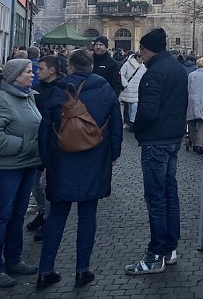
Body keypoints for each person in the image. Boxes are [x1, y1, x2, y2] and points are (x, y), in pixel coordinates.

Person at [36, 48, 123, 290]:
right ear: (91, 66)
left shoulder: (56, 91)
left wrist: (44, 160)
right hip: (94, 159)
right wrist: (113, 155)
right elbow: (116, 124)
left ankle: (45, 270)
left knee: (57, 214)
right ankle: (82, 269)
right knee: (87, 215)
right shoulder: (105, 89)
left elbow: (44, 130)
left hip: (61, 159)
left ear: (71, 67)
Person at [126, 28, 188, 275]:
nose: (140, 55)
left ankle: (156, 254)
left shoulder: (154, 73)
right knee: (169, 194)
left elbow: (148, 111)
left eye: (142, 50)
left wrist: (136, 128)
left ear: (148, 49)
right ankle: (171, 248)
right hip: (172, 138)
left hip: (156, 142)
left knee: (156, 198)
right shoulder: (177, 68)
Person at [0, 58, 42, 288]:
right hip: (6, 168)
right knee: (2, 216)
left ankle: (13, 259)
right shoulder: (1, 100)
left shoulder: (28, 96)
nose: (32, 74)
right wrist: (24, 145)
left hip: (26, 165)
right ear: (15, 76)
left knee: (17, 215)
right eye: (28, 72)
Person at [27, 56, 67, 241]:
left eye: (40, 69)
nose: (36, 72)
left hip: (53, 143)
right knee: (35, 183)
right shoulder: (34, 90)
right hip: (35, 140)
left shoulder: (63, 89)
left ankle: (49, 220)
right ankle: (42, 213)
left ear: (52, 70)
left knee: (46, 184)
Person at [186, 57, 203, 155]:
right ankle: (199, 145)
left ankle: (194, 142)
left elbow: (188, 88)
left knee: (191, 123)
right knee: (201, 123)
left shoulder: (192, 75)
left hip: (192, 99)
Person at [119, 51, 147, 131]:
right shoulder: (127, 64)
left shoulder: (142, 67)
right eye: (141, 58)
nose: (142, 60)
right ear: (137, 57)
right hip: (128, 89)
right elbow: (121, 74)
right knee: (128, 107)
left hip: (136, 90)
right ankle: (128, 122)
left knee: (134, 106)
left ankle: (132, 123)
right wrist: (125, 84)